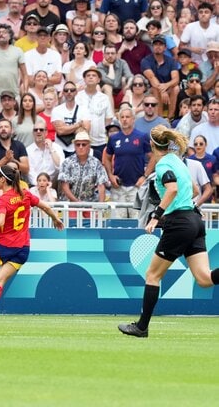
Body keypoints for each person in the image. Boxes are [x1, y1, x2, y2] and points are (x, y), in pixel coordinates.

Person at [118, 125, 219, 338]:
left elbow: (172, 189)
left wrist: (156, 215)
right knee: (204, 279)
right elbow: (194, 190)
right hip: (194, 220)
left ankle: (142, 327)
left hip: (180, 223)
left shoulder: (163, 164)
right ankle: (142, 326)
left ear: (152, 145)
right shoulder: (178, 161)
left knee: (152, 275)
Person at [0, 164, 64, 323]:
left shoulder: (2, 200)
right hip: (23, 248)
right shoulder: (25, 194)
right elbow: (44, 206)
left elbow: (0, 221)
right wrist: (55, 218)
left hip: (5, 245)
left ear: (3, 180)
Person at [59, 130, 109, 203]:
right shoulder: (67, 162)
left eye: (84, 144)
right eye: (78, 144)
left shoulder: (96, 163)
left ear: (89, 146)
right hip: (69, 204)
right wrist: (76, 202)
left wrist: (100, 207)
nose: (81, 147)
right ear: (74, 146)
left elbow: (101, 185)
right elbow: (64, 185)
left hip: (90, 203)